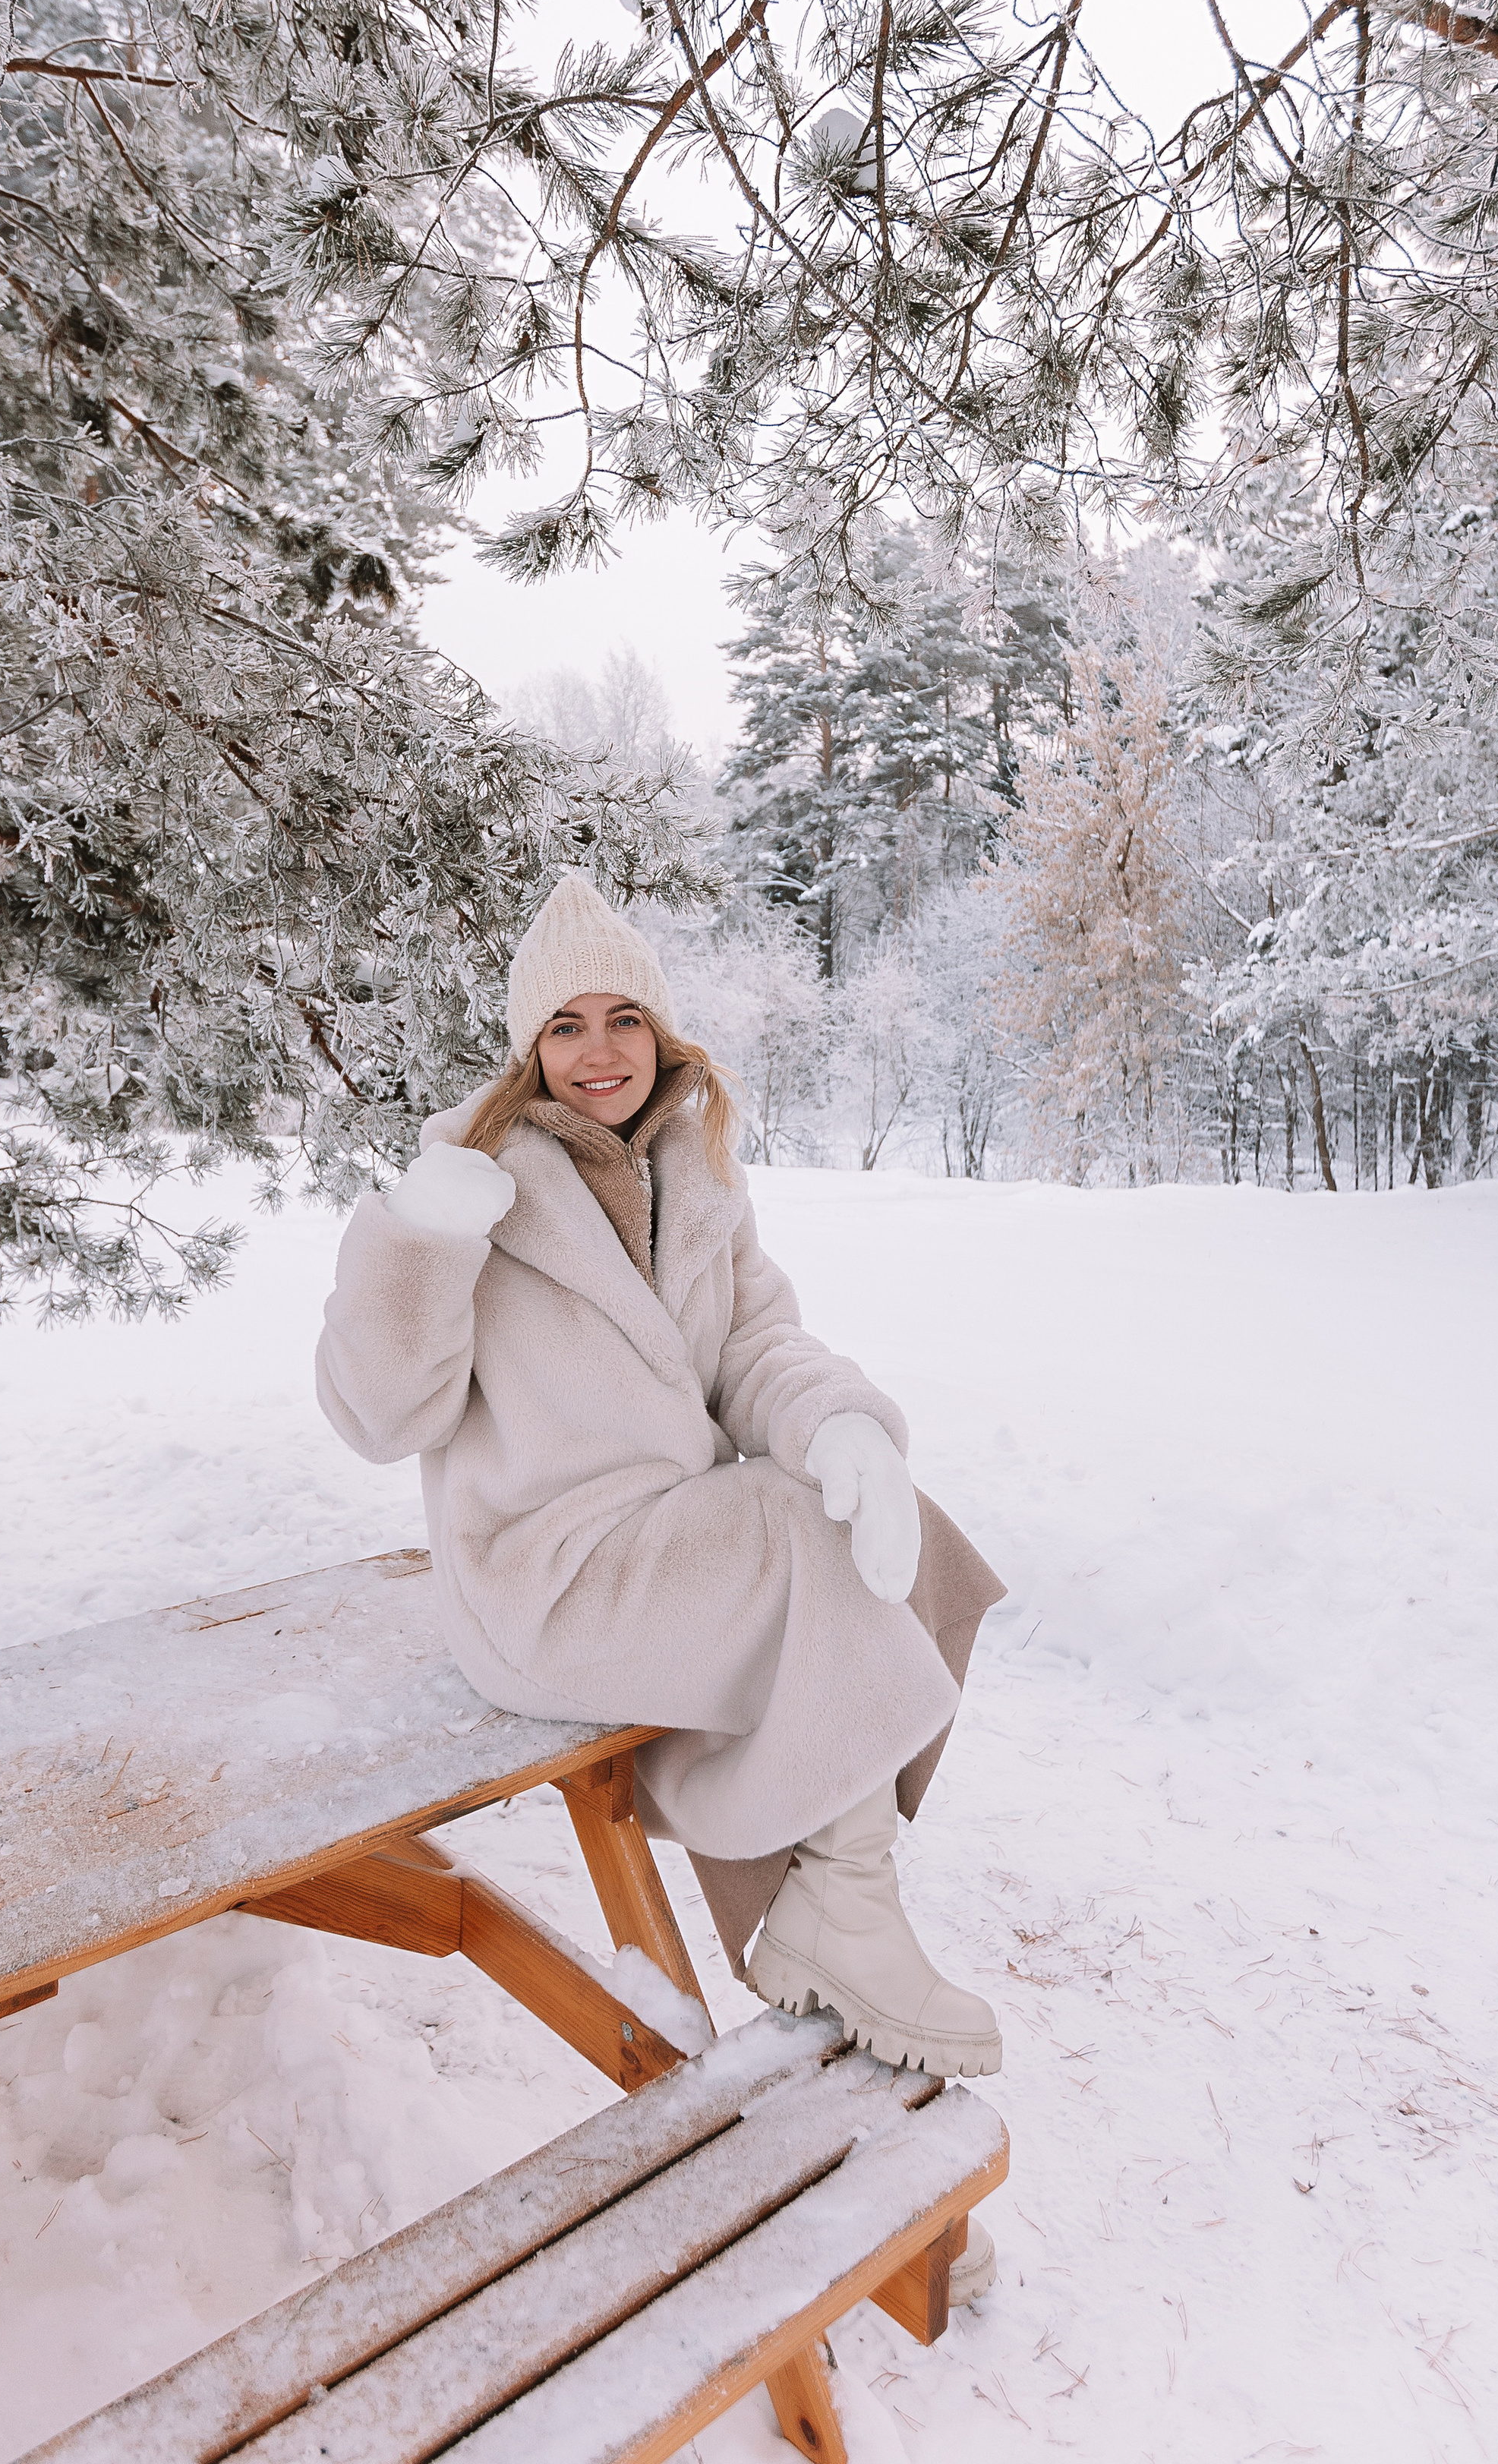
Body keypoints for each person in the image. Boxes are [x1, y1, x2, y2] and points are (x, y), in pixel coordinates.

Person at [316, 871, 1005, 2081]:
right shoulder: (474, 1180)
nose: (599, 1052)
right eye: (566, 1026)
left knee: (885, 1525)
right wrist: (416, 1238)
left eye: (622, 1019)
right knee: (803, 1541)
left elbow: (756, 1346)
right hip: (545, 1576)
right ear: (532, 1050)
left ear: (660, 1031)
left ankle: (851, 2029)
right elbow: (381, 1417)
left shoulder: (697, 1168)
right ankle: (845, 1914)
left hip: (674, 1550)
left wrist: (842, 1424)